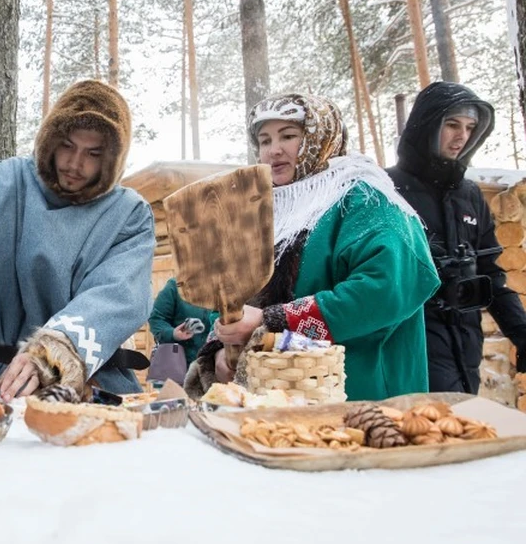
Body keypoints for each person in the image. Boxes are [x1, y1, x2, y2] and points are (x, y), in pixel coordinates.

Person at [0, 80, 155, 402]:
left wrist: (57, 350)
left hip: (87, 383)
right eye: (67, 145)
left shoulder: (128, 214)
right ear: (50, 139)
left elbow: (119, 292)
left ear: (111, 158)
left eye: (93, 153)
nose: (75, 164)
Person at [184, 93, 440, 402]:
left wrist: (272, 322)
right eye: (264, 140)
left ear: (321, 137)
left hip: (362, 397)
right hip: (280, 400)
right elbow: (241, 298)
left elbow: (386, 288)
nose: (273, 150)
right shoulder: (274, 210)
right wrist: (222, 350)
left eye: (288, 136)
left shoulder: (366, 198)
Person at [388, 82, 526, 393]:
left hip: (465, 344)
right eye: (452, 124)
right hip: (412, 340)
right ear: (426, 125)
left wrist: (521, 332)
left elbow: (491, 274)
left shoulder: (470, 195)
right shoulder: (387, 188)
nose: (461, 136)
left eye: (469, 127)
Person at [148, 277, 216, 367]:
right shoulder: (176, 286)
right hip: (176, 367)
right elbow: (156, 319)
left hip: (212, 368)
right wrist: (173, 334)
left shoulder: (225, 289)